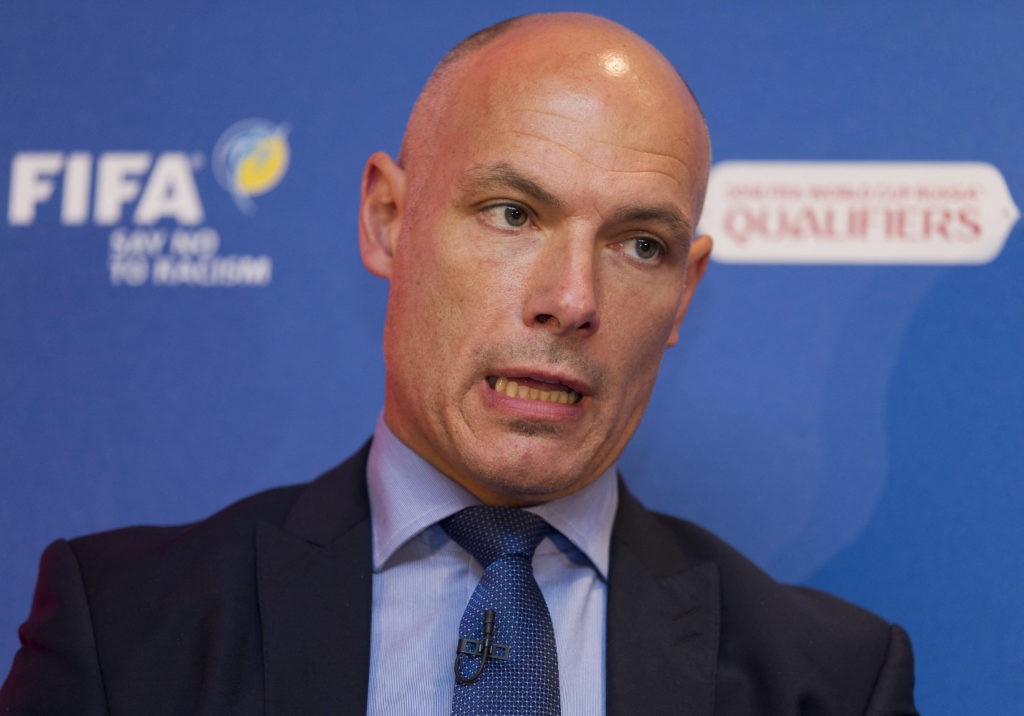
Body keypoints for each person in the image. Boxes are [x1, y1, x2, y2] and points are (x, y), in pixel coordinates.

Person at [0, 12, 917, 715]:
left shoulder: (831, 682)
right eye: (513, 214)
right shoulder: (123, 629)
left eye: (640, 244)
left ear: (685, 290)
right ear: (387, 220)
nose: (572, 299)